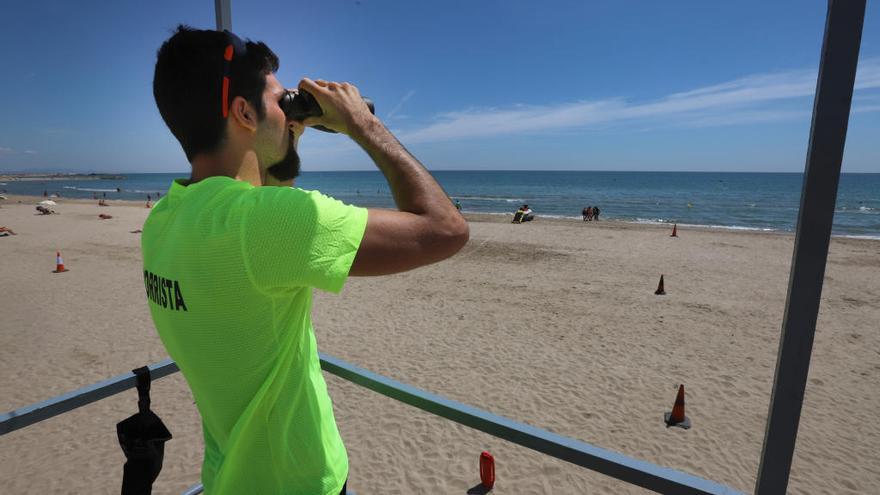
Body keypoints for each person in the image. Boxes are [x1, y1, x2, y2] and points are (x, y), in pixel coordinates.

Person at [144, 26, 468, 495]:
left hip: (227, 479)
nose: (290, 112)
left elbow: (254, 205)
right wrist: (363, 124)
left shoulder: (164, 219)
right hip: (297, 482)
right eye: (281, 101)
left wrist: (283, 133)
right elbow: (446, 229)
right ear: (243, 112)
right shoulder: (266, 226)